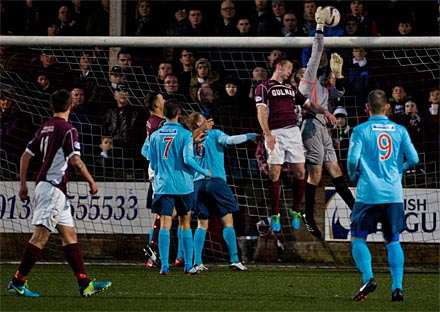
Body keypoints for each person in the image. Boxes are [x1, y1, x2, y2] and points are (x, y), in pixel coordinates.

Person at [8, 89, 112, 297]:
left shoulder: (45, 127)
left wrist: (23, 185)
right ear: (70, 107)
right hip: (53, 189)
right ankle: (18, 281)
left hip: (52, 190)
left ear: (52, 107)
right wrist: (91, 181)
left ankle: (85, 284)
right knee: (39, 238)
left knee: (69, 236)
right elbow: (75, 160)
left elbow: (25, 157)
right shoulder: (68, 129)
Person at [347, 89, 419, 302]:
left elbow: (352, 160)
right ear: (387, 107)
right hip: (393, 194)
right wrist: (399, 170)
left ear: (367, 107)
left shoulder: (360, 130)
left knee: (358, 237)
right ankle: (397, 288)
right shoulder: (400, 130)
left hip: (368, 193)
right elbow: (414, 159)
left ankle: (368, 277)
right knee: (392, 240)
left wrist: (354, 175)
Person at [255, 56, 332, 232]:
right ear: (280, 67)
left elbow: (309, 104)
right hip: (275, 132)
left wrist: (325, 111)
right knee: (274, 173)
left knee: (300, 172)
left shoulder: (291, 88)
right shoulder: (264, 87)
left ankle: (296, 209)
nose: (290, 72)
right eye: (288, 68)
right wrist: (267, 134)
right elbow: (260, 111)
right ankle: (275, 214)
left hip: (293, 132)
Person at [296, 7, 355, 239]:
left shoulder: (320, 86)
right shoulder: (306, 82)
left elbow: (339, 94)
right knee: (316, 175)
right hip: (310, 127)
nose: (316, 62)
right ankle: (307, 215)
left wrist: (338, 76)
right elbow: (316, 50)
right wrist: (319, 28)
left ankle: (357, 211)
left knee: (335, 171)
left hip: (323, 129)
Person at [186, 111, 256, 271]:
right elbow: (230, 140)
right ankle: (235, 260)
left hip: (197, 184)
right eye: (203, 119)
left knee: (201, 223)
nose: (208, 121)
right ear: (198, 124)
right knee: (227, 220)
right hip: (216, 181)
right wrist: (250, 135)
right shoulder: (214, 133)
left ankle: (197, 262)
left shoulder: (189, 139)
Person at [148, 98, 211, 275]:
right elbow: (188, 160)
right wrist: (204, 171)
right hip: (183, 185)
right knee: (185, 223)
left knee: (165, 224)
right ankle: (188, 265)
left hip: (162, 185)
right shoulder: (184, 134)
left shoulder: (154, 136)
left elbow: (152, 164)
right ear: (179, 113)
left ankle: (164, 266)